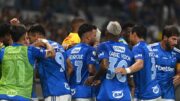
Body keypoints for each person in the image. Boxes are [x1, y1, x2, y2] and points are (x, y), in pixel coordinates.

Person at [0, 24, 54, 101]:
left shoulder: (3, 51)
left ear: (11, 37)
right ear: (25, 36)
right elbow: (51, 53)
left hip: (3, 95)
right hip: (22, 95)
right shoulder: (31, 51)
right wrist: (46, 42)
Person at [85, 21, 134, 101]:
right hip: (124, 95)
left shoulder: (104, 46)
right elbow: (130, 76)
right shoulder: (128, 50)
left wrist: (94, 78)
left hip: (107, 94)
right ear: (120, 33)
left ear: (106, 32)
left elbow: (104, 66)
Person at [115, 24, 161, 101]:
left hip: (145, 95)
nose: (129, 37)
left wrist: (126, 70)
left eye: (130, 34)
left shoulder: (137, 47)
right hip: (156, 92)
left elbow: (140, 63)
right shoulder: (148, 47)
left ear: (134, 34)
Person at [28, 24, 72, 101]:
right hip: (66, 90)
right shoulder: (59, 46)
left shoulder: (40, 49)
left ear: (37, 37)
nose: (29, 40)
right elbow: (71, 67)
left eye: (29, 37)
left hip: (54, 92)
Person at [66, 23, 97, 101]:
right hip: (84, 93)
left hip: (70, 92)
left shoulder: (69, 51)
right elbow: (91, 69)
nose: (95, 38)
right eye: (94, 35)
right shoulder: (90, 50)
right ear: (88, 37)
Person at [150, 25, 180, 101]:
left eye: (177, 40)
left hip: (168, 95)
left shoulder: (177, 53)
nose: (176, 42)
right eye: (173, 39)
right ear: (165, 38)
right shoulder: (150, 49)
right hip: (151, 93)